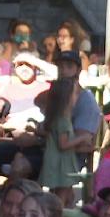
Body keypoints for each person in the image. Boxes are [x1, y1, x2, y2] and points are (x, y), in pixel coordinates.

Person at [0, 51, 101, 181]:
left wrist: (36, 140)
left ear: (78, 70)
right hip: (44, 148)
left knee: (20, 165)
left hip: (67, 158)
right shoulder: (55, 95)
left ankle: (21, 198)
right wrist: (32, 132)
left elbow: (80, 141)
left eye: (69, 66)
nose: (64, 71)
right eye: (60, 67)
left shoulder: (86, 101)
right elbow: (46, 122)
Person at [37, 77, 84, 206]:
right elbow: (63, 144)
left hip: (57, 160)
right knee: (61, 197)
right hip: (62, 163)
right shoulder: (63, 120)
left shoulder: (56, 118)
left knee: (65, 194)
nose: (77, 97)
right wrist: (82, 138)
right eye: (75, 93)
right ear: (67, 98)